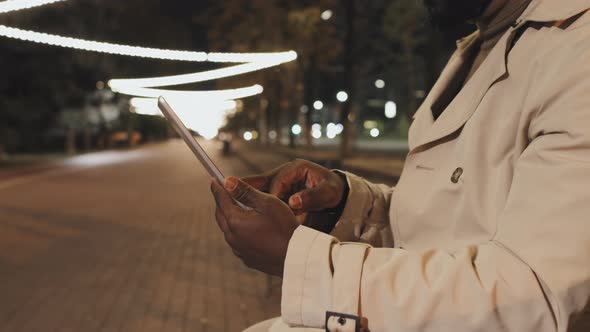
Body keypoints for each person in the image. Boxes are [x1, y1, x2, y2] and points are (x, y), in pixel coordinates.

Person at [210, 0, 590, 331]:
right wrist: (344, 202)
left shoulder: (577, 48)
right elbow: (440, 220)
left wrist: (304, 260)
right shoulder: (478, 46)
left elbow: (533, 299)